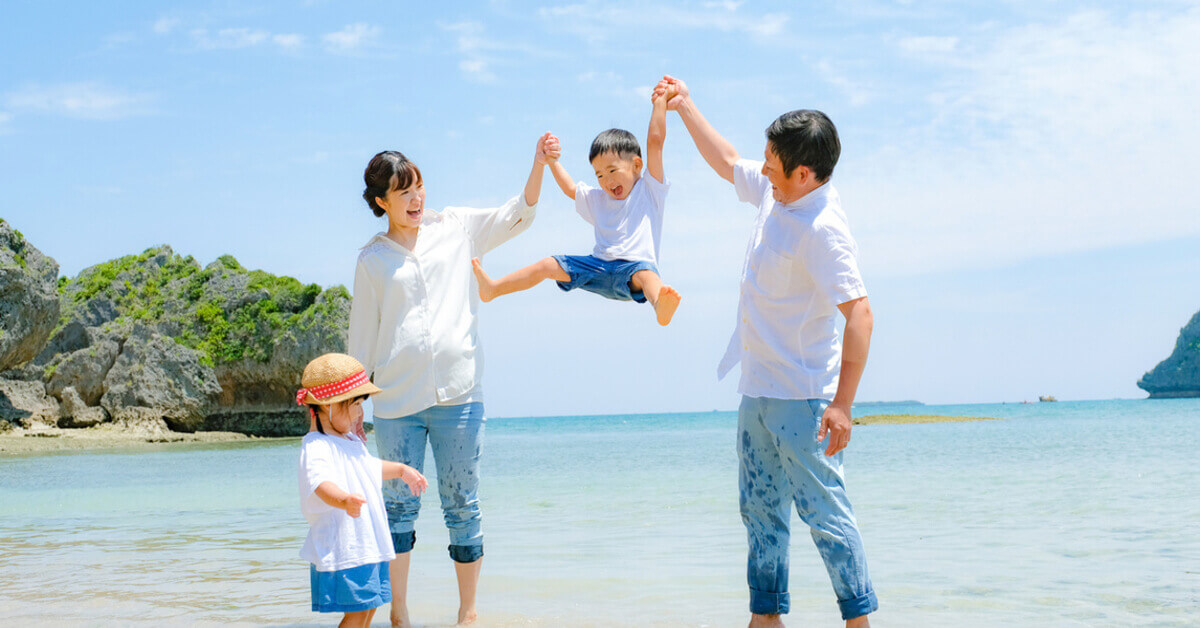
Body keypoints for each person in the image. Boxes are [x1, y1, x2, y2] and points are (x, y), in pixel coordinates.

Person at [654, 75, 878, 627]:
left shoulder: (823, 229)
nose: (764, 171)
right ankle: (767, 618)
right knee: (759, 514)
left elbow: (861, 315)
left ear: (805, 174)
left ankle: (859, 621)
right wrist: (685, 106)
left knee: (826, 517)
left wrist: (843, 404)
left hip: (804, 400)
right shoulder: (779, 192)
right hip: (756, 388)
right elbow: (728, 160)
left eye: (773, 165)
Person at [348, 136, 549, 627]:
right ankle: (399, 612)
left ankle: (468, 614)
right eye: (403, 194)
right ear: (382, 202)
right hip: (395, 401)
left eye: (419, 187)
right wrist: (351, 409)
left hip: (459, 394)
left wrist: (538, 162)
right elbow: (361, 339)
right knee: (397, 511)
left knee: (463, 504)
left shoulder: (455, 227)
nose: (417, 200)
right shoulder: (372, 260)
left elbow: (517, 214)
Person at [470, 86, 682, 326]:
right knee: (548, 265)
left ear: (636, 165)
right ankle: (493, 289)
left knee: (647, 274)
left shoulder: (650, 191)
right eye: (599, 175)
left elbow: (655, 142)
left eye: (612, 171)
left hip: (632, 272)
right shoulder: (599, 200)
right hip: (597, 268)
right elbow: (571, 188)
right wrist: (551, 162)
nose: (606, 181)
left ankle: (659, 304)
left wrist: (659, 103)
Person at [296, 352, 430, 628]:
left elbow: (368, 467)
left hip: (367, 545)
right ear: (328, 406)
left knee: (368, 610)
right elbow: (320, 484)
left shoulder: (348, 440)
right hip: (345, 547)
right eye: (355, 404)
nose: (360, 413)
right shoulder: (317, 446)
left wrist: (401, 470)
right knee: (357, 614)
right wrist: (344, 499)